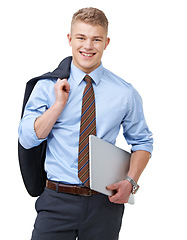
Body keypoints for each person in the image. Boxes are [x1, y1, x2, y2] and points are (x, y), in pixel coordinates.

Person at [18, 7, 153, 240]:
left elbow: (142, 141)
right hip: (56, 200)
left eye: (96, 39)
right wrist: (58, 105)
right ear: (70, 39)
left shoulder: (125, 92)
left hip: (105, 202)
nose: (88, 46)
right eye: (81, 37)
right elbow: (27, 138)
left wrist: (131, 181)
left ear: (106, 42)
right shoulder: (47, 87)